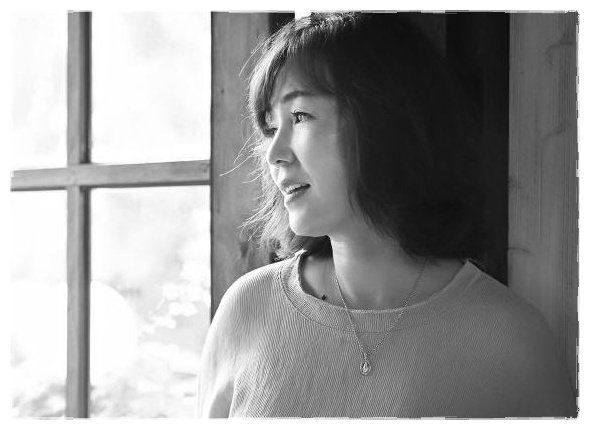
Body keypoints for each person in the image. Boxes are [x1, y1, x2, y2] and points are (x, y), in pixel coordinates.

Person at [197, 12, 576, 418]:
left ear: (385, 120)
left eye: (300, 117)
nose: (274, 154)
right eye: (271, 129)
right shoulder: (247, 310)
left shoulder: (512, 343)